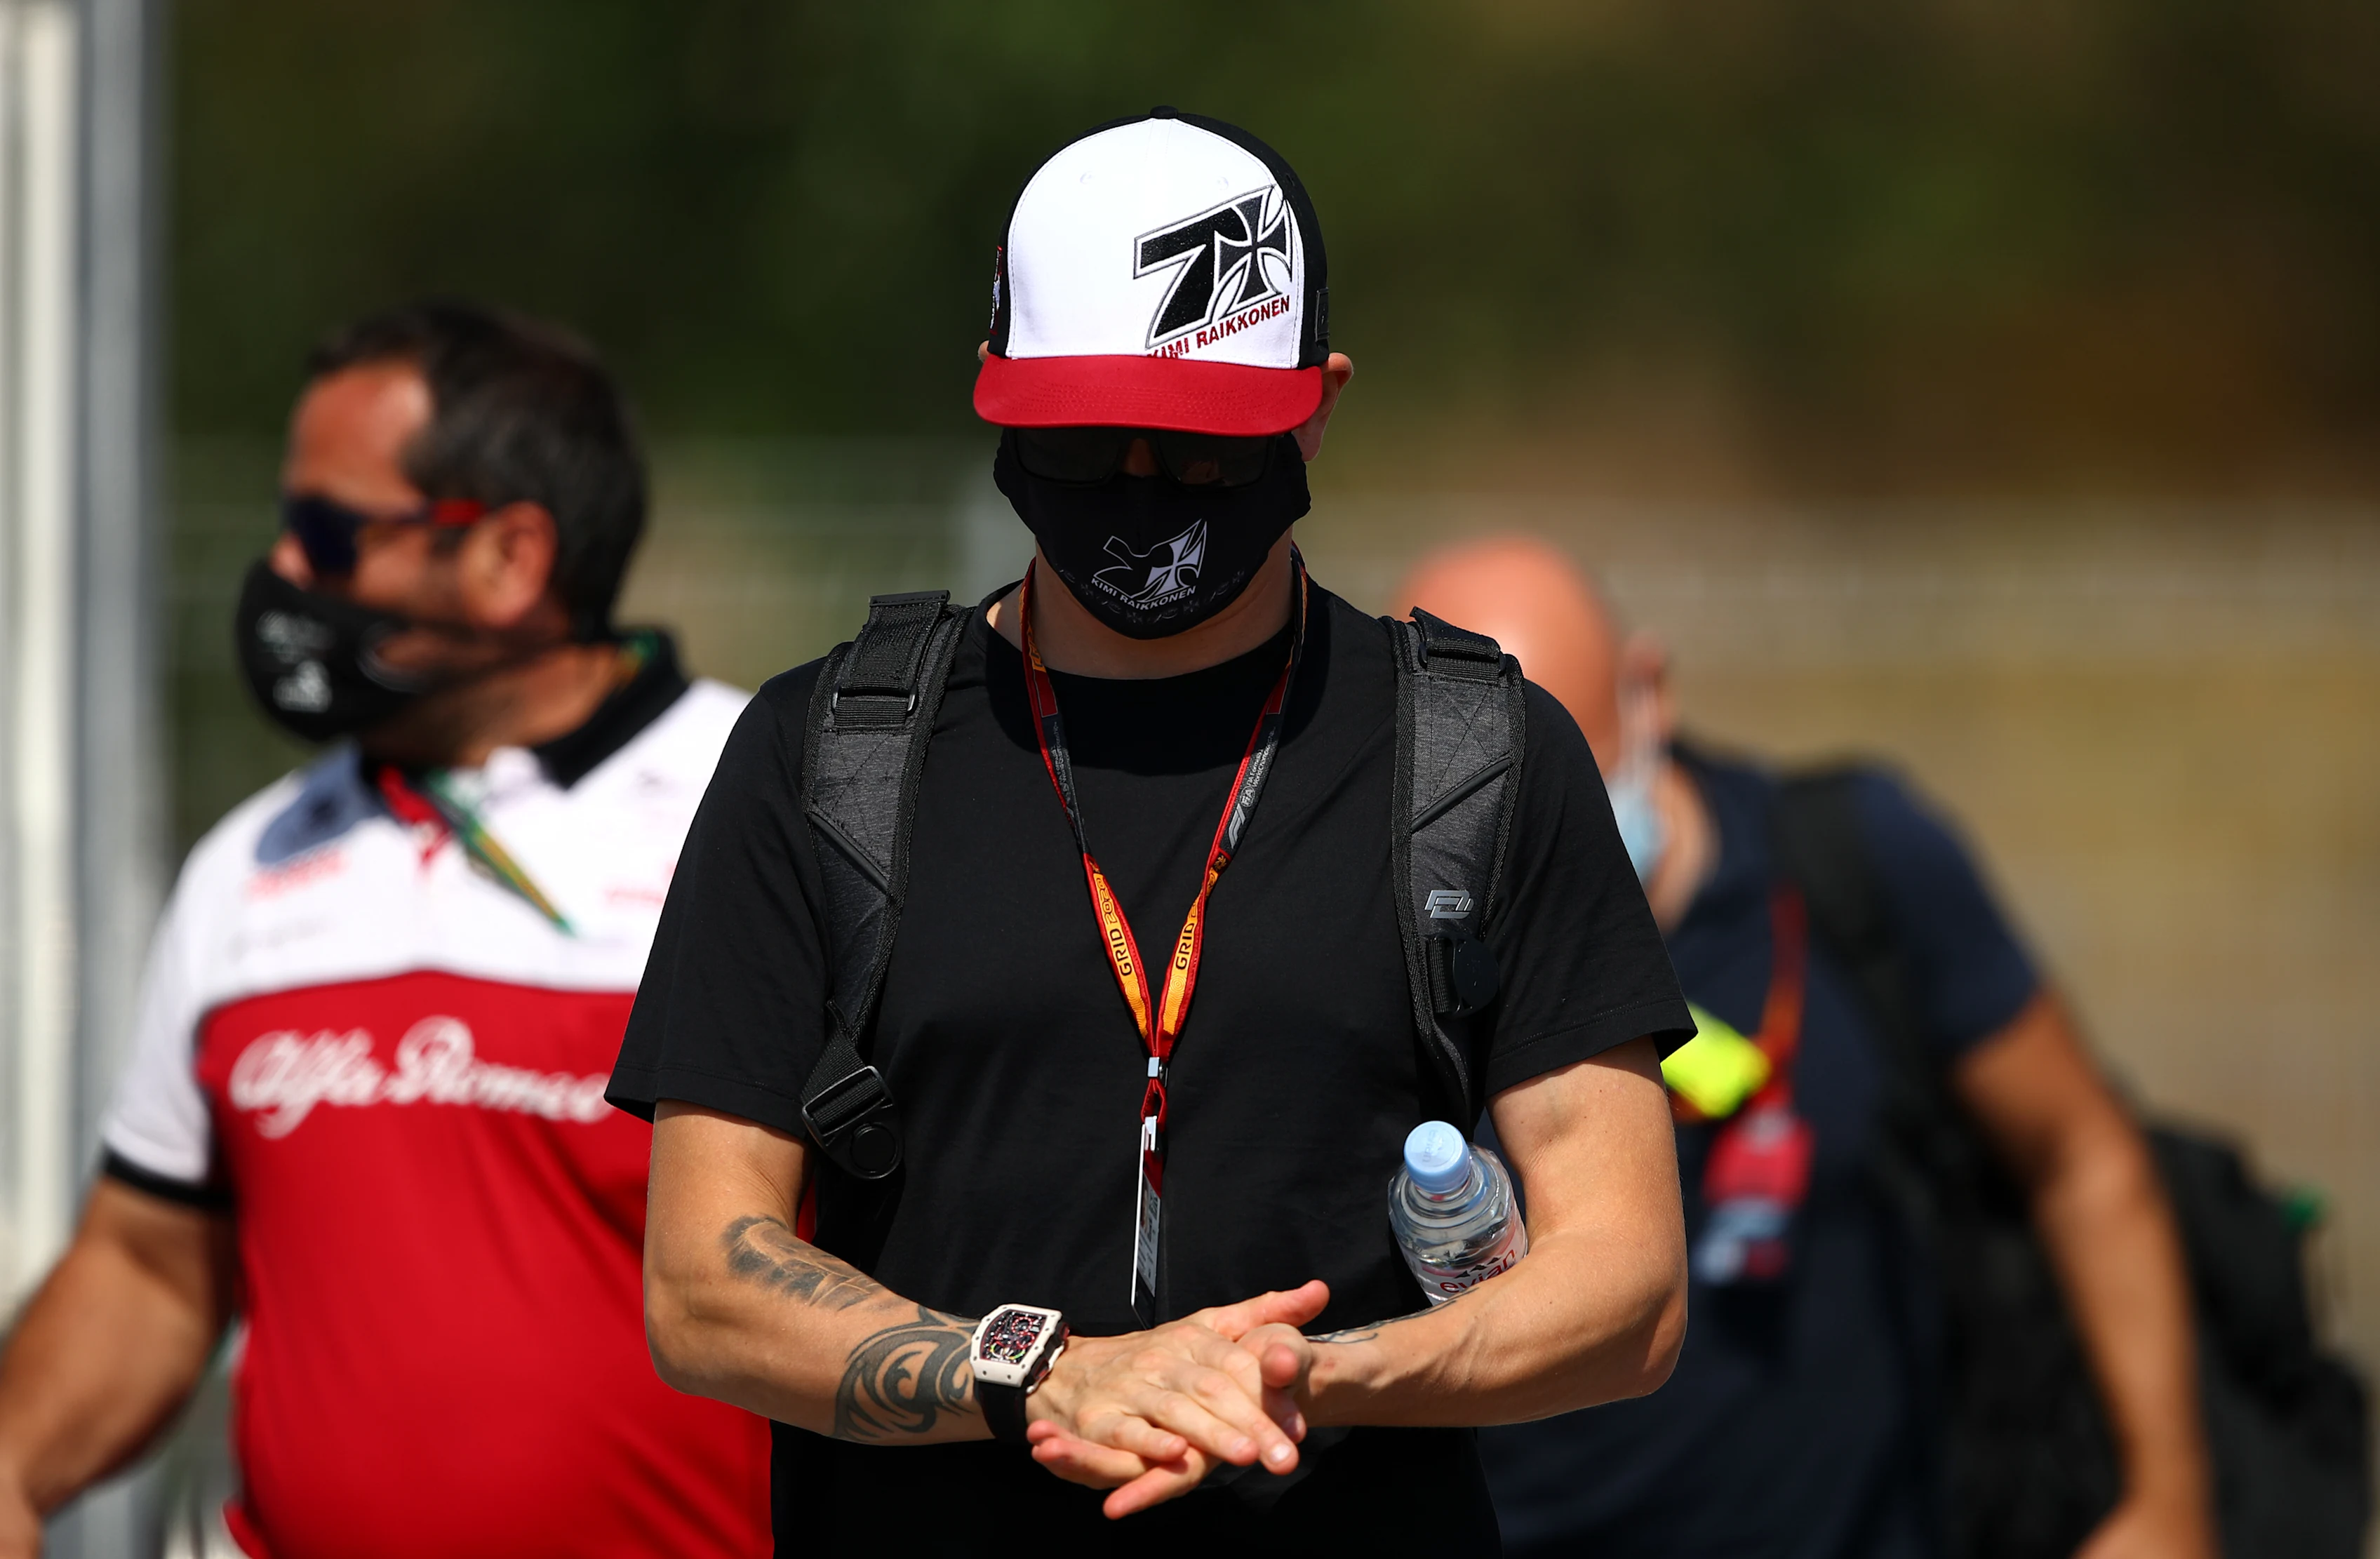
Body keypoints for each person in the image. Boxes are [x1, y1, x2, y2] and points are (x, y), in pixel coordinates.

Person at [610, 109, 1694, 1553]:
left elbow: (1625, 1284)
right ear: (994, 399)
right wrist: (1046, 1372)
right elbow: (701, 1286)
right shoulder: (823, 753)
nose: (1140, 480)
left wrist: (1313, 1380)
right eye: (1085, 439)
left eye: (1199, 448)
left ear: (1317, 403)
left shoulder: (1480, 753)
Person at [0, 302, 772, 1558]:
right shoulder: (245, 865)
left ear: (513, 559)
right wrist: (13, 1469)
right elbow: (148, 1265)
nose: (285, 575)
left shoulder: (766, 812)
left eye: (326, 533)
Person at [1398, 535, 2216, 1559]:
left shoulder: (1848, 869)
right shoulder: (1387, 953)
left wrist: (2170, 1501)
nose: (1533, 836)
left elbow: (2083, 1155)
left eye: (1564, 770)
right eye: (1482, 808)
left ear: (1648, 692)